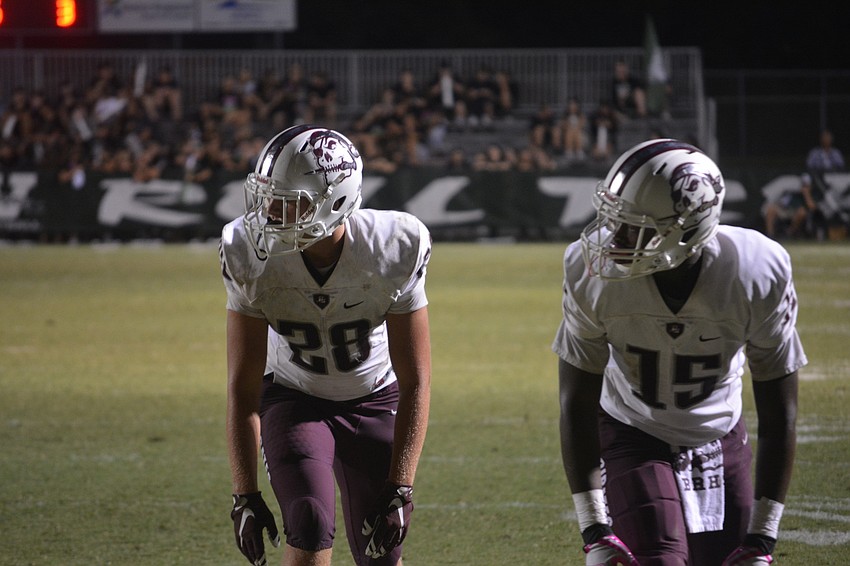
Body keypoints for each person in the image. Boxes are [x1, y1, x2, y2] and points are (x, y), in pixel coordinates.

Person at [552, 139, 805, 565]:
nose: (613, 237)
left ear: (683, 231)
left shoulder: (755, 272)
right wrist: (594, 529)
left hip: (719, 433)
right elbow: (576, 402)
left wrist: (763, 539)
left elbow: (781, 411)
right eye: (614, 218)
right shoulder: (590, 275)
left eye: (631, 225)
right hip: (633, 428)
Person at [219, 125, 432, 566]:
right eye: (266, 198)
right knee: (309, 518)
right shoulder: (247, 252)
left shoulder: (393, 247)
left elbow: (415, 378)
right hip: (295, 395)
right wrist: (244, 493)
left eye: (286, 202)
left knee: (380, 550)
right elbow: (242, 389)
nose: (269, 214)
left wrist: (402, 485)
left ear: (334, 203)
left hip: (374, 396)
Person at [762, 173, 817, 239]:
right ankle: (770, 234)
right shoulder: (794, 190)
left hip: (796, 213)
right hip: (785, 210)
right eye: (803, 185)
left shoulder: (813, 193)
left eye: (806, 185)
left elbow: (813, 208)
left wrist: (806, 194)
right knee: (771, 209)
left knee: (802, 212)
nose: (804, 187)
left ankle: (789, 233)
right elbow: (782, 202)